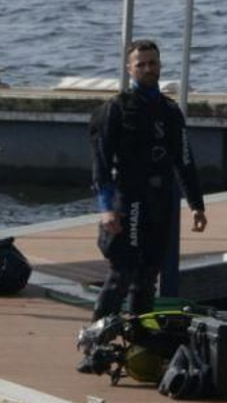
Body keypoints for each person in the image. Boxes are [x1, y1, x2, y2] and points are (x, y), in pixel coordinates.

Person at [84, 39, 207, 368]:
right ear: (129, 69)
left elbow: (184, 160)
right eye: (141, 64)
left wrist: (196, 204)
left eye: (153, 63)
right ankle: (95, 343)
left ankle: (139, 340)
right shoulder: (116, 109)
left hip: (159, 202)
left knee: (148, 275)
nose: (148, 69)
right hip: (128, 201)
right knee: (122, 271)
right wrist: (106, 208)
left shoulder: (169, 111)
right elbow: (100, 163)